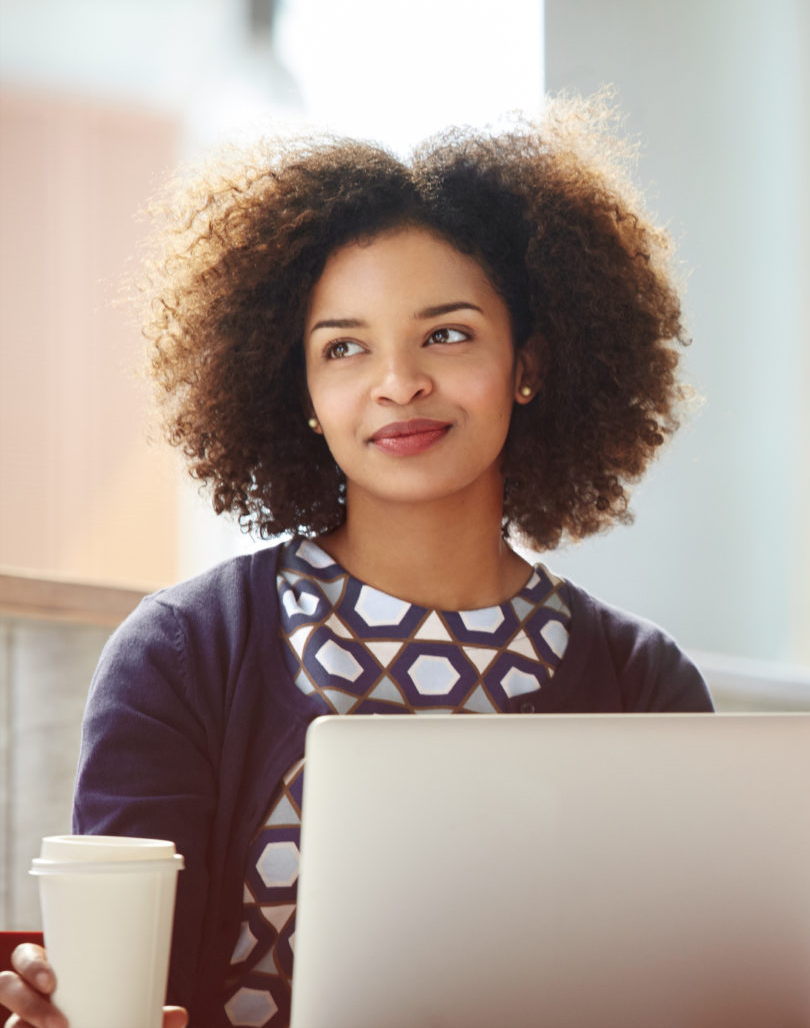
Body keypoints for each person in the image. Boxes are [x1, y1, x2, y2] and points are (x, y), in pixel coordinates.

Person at [0, 97, 711, 1028]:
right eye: (344, 347)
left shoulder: (643, 684)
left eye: (447, 333)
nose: (398, 382)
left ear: (528, 362)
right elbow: (128, 997)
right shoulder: (183, 655)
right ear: (299, 389)